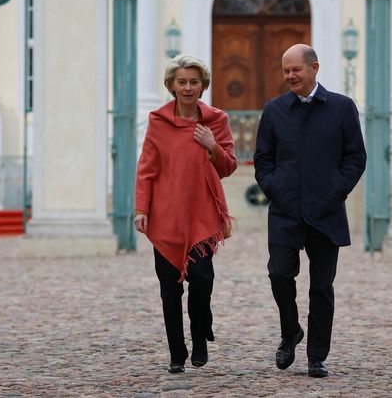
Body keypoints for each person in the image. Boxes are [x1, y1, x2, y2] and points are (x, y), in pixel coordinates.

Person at [253, 43, 366, 378]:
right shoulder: (274, 111)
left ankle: (317, 355)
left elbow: (355, 158)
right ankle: (291, 332)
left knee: (321, 287)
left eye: (296, 70)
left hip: (326, 211)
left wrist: (335, 190)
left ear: (314, 67)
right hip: (285, 210)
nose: (290, 76)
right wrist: (275, 187)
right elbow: (263, 160)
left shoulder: (343, 108)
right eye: (286, 70)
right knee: (279, 274)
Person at [134, 55, 238, 374]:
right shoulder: (158, 121)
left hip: (202, 214)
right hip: (165, 215)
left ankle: (200, 335)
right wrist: (141, 209)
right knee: (170, 289)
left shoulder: (216, 120)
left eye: (194, 82)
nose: (188, 87)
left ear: (203, 86)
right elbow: (147, 169)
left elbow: (228, 166)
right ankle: (177, 353)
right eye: (182, 82)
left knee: (203, 278)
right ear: (171, 86)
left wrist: (212, 146)